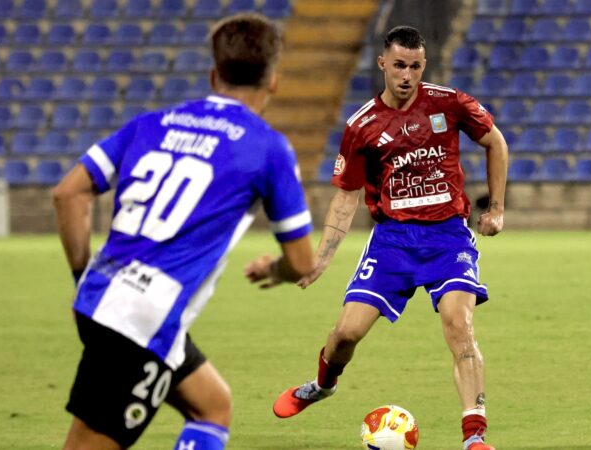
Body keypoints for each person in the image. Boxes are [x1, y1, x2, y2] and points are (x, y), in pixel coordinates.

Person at [53, 14, 315, 450]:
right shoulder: (268, 148)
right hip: (140, 318)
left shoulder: (151, 123)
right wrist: (277, 268)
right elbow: (303, 261)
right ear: (273, 81)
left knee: (212, 405)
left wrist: (85, 274)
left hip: (104, 296)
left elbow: (68, 194)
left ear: (214, 74)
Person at [272, 26, 508, 450]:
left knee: (460, 324)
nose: (407, 75)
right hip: (393, 240)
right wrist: (321, 257)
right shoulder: (362, 125)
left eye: (415, 66)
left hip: (448, 237)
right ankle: (323, 385)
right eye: (399, 65)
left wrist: (496, 208)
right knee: (346, 334)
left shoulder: (449, 103)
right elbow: (346, 199)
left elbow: (496, 142)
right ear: (382, 63)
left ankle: (474, 437)